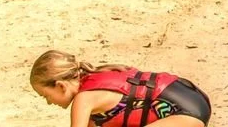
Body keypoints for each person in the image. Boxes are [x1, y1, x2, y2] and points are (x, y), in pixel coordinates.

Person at [30, 50, 211, 126]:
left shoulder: (84, 99)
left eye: (46, 95)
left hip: (183, 112)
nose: (48, 103)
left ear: (60, 86)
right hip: (192, 97)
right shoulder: (95, 77)